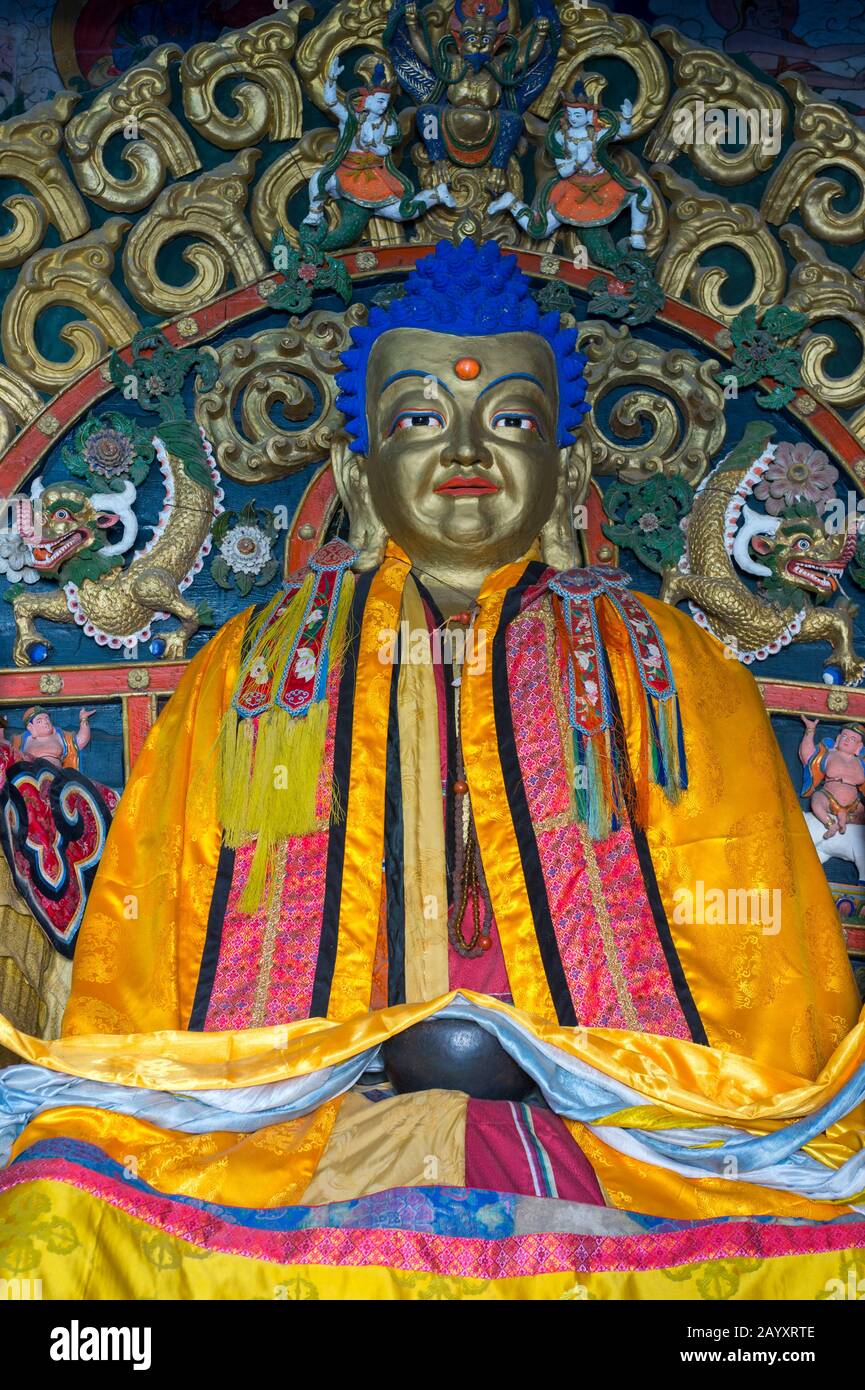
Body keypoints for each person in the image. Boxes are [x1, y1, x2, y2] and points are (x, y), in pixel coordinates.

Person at [1, 240, 863, 1300]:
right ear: (357, 476)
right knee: (63, 1202)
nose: (467, 449)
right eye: (419, 420)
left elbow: (760, 970)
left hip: (614, 1132)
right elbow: (153, 946)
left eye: (511, 422)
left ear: (570, 472)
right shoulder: (253, 671)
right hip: (309, 1117)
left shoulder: (674, 670)